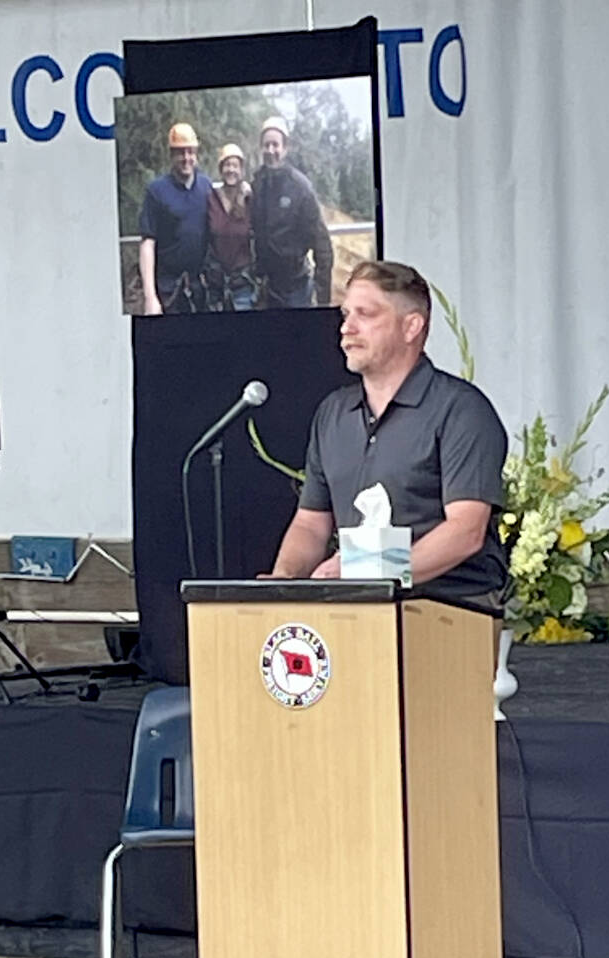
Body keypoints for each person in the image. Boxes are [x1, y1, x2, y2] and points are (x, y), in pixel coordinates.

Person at [266, 260, 509, 605]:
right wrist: (282, 583)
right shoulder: (333, 414)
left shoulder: (461, 410)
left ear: (411, 326)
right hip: (357, 607)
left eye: (365, 314)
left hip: (447, 608)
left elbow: (466, 531)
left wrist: (366, 573)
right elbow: (310, 523)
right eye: (345, 315)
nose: (346, 328)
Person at [251, 115, 333, 309]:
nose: (271, 150)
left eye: (275, 145)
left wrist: (323, 299)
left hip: (296, 288)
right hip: (266, 287)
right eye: (266, 145)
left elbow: (322, 245)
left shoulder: (300, 188)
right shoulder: (258, 183)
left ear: (285, 148)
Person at [138, 123, 212, 315]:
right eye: (180, 152)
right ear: (171, 155)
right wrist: (150, 297)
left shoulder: (206, 187)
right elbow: (147, 243)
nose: (186, 158)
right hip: (168, 290)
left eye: (190, 152)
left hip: (199, 289)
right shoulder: (156, 191)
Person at [205, 143, 256, 311]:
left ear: (242, 170)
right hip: (215, 283)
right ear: (221, 169)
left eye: (235, 165)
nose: (231, 170)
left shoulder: (250, 199)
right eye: (227, 165)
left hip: (242, 282)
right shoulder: (211, 198)